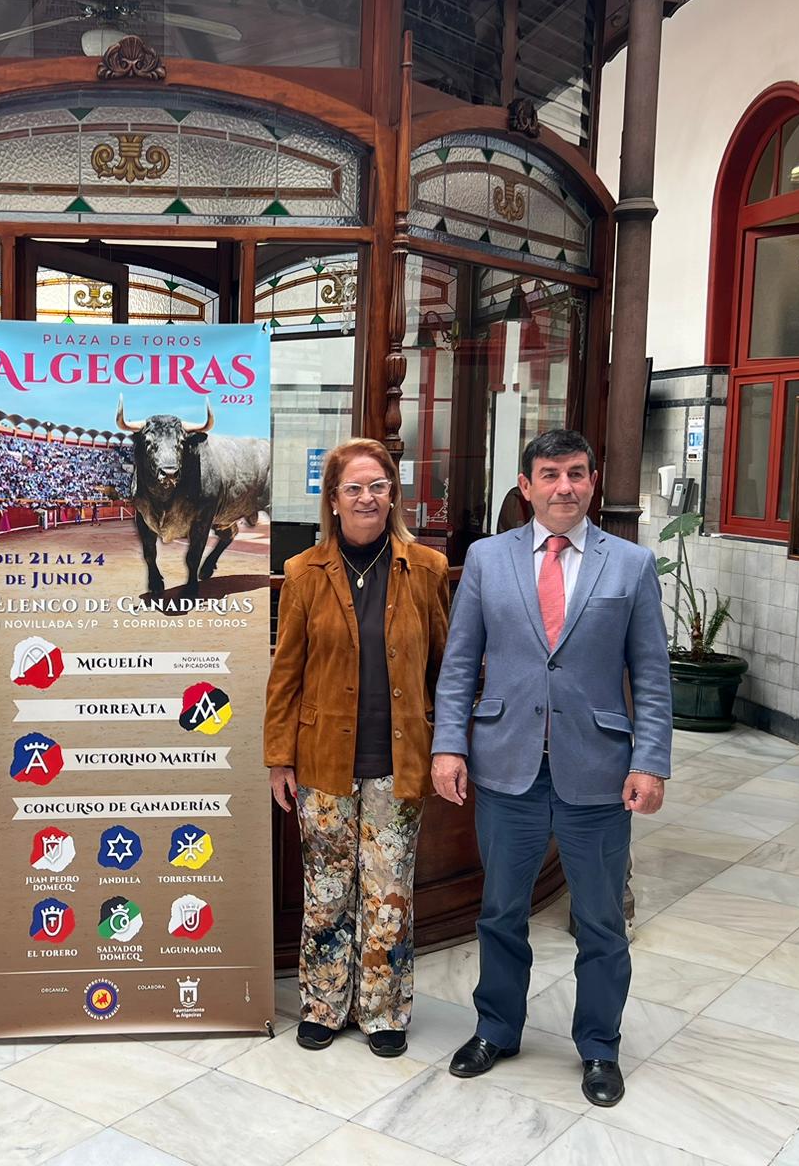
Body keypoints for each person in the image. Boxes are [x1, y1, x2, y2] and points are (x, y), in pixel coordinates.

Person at [431, 428, 670, 1108]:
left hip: (598, 768)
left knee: (599, 921)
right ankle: (497, 1028)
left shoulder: (630, 566)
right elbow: (459, 666)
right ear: (526, 486)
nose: (563, 486)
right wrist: (449, 744)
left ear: (592, 481)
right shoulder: (485, 559)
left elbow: (651, 676)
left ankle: (599, 1046)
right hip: (505, 765)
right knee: (500, 912)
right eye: (549, 474)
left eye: (575, 473)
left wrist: (651, 761)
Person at [266, 438, 450, 1058]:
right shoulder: (303, 572)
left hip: (399, 758)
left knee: (388, 885)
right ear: (334, 499)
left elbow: (445, 670)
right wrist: (278, 758)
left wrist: (448, 745)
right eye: (354, 488)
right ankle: (323, 1003)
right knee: (325, 886)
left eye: (378, 486)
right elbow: (286, 673)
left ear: (392, 493)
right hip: (322, 759)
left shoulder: (424, 568)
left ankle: (384, 1008)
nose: (367, 498)